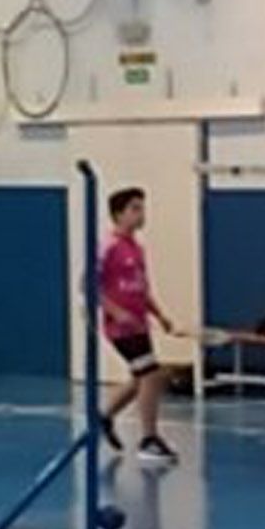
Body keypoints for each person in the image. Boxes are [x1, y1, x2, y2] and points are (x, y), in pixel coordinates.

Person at [98, 187, 179, 466]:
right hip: (120, 327)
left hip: (140, 324)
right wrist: (115, 312)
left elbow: (142, 290)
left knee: (140, 379)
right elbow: (88, 286)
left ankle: (104, 417)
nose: (141, 214)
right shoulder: (107, 247)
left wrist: (160, 315)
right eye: (135, 208)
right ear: (119, 214)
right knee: (152, 375)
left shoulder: (137, 249)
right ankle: (149, 439)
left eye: (142, 208)